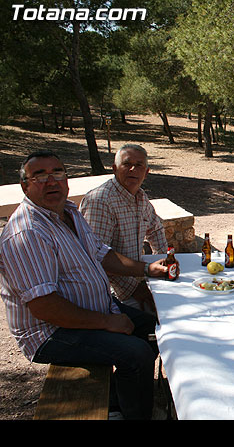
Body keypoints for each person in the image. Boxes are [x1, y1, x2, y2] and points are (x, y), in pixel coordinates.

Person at [0, 150, 176, 420]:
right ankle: (136, 415)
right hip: (50, 332)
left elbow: (101, 253)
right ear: (25, 185)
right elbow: (44, 307)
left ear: (67, 179)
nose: (51, 182)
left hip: (95, 309)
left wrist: (146, 269)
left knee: (158, 329)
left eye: (57, 173)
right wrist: (107, 322)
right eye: (39, 176)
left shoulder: (67, 212)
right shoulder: (28, 232)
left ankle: (118, 402)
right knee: (137, 353)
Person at [80, 144, 167, 313]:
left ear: (146, 172)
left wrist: (165, 260)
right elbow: (96, 258)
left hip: (136, 280)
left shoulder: (140, 197)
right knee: (164, 316)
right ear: (114, 168)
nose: (133, 169)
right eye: (127, 164)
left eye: (139, 165)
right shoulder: (101, 201)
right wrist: (135, 289)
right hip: (110, 294)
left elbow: (155, 229)